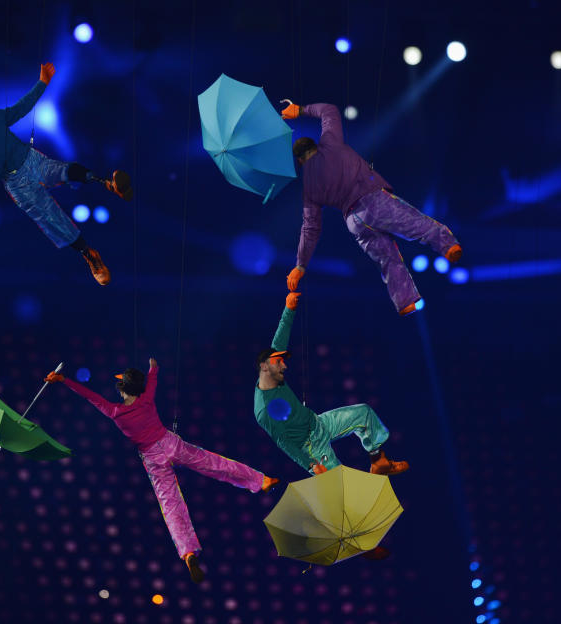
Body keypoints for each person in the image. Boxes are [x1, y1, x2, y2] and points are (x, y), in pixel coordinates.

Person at [45, 358, 279, 583]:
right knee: (214, 463)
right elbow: (153, 379)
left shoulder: (114, 411)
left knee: (171, 504)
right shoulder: (146, 399)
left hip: (153, 459)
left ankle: (188, 552)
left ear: (122, 390)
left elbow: (91, 397)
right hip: (170, 444)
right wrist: (153, 368)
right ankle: (261, 480)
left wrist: (64, 380)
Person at [279, 99, 462, 315]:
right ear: (315, 146)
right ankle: (447, 245)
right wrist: (300, 110)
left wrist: (300, 265)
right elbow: (329, 110)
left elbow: (310, 229)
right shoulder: (330, 143)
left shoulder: (308, 188)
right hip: (372, 201)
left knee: (387, 259)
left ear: (299, 161)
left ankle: (406, 301)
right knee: (414, 223)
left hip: (354, 221)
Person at [0, 62, 132, 285]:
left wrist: (43, 82)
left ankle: (107, 182)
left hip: (31, 160)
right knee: (52, 218)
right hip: (15, 182)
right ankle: (89, 255)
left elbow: (22, 107)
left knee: (64, 171)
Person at [254, 292, 410, 476]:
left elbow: (280, 337)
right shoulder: (264, 410)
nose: (284, 366)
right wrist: (310, 465)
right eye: (279, 362)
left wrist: (289, 308)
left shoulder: (273, 373)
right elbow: (284, 443)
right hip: (310, 447)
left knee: (364, 413)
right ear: (264, 367)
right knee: (340, 484)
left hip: (318, 423)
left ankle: (378, 460)